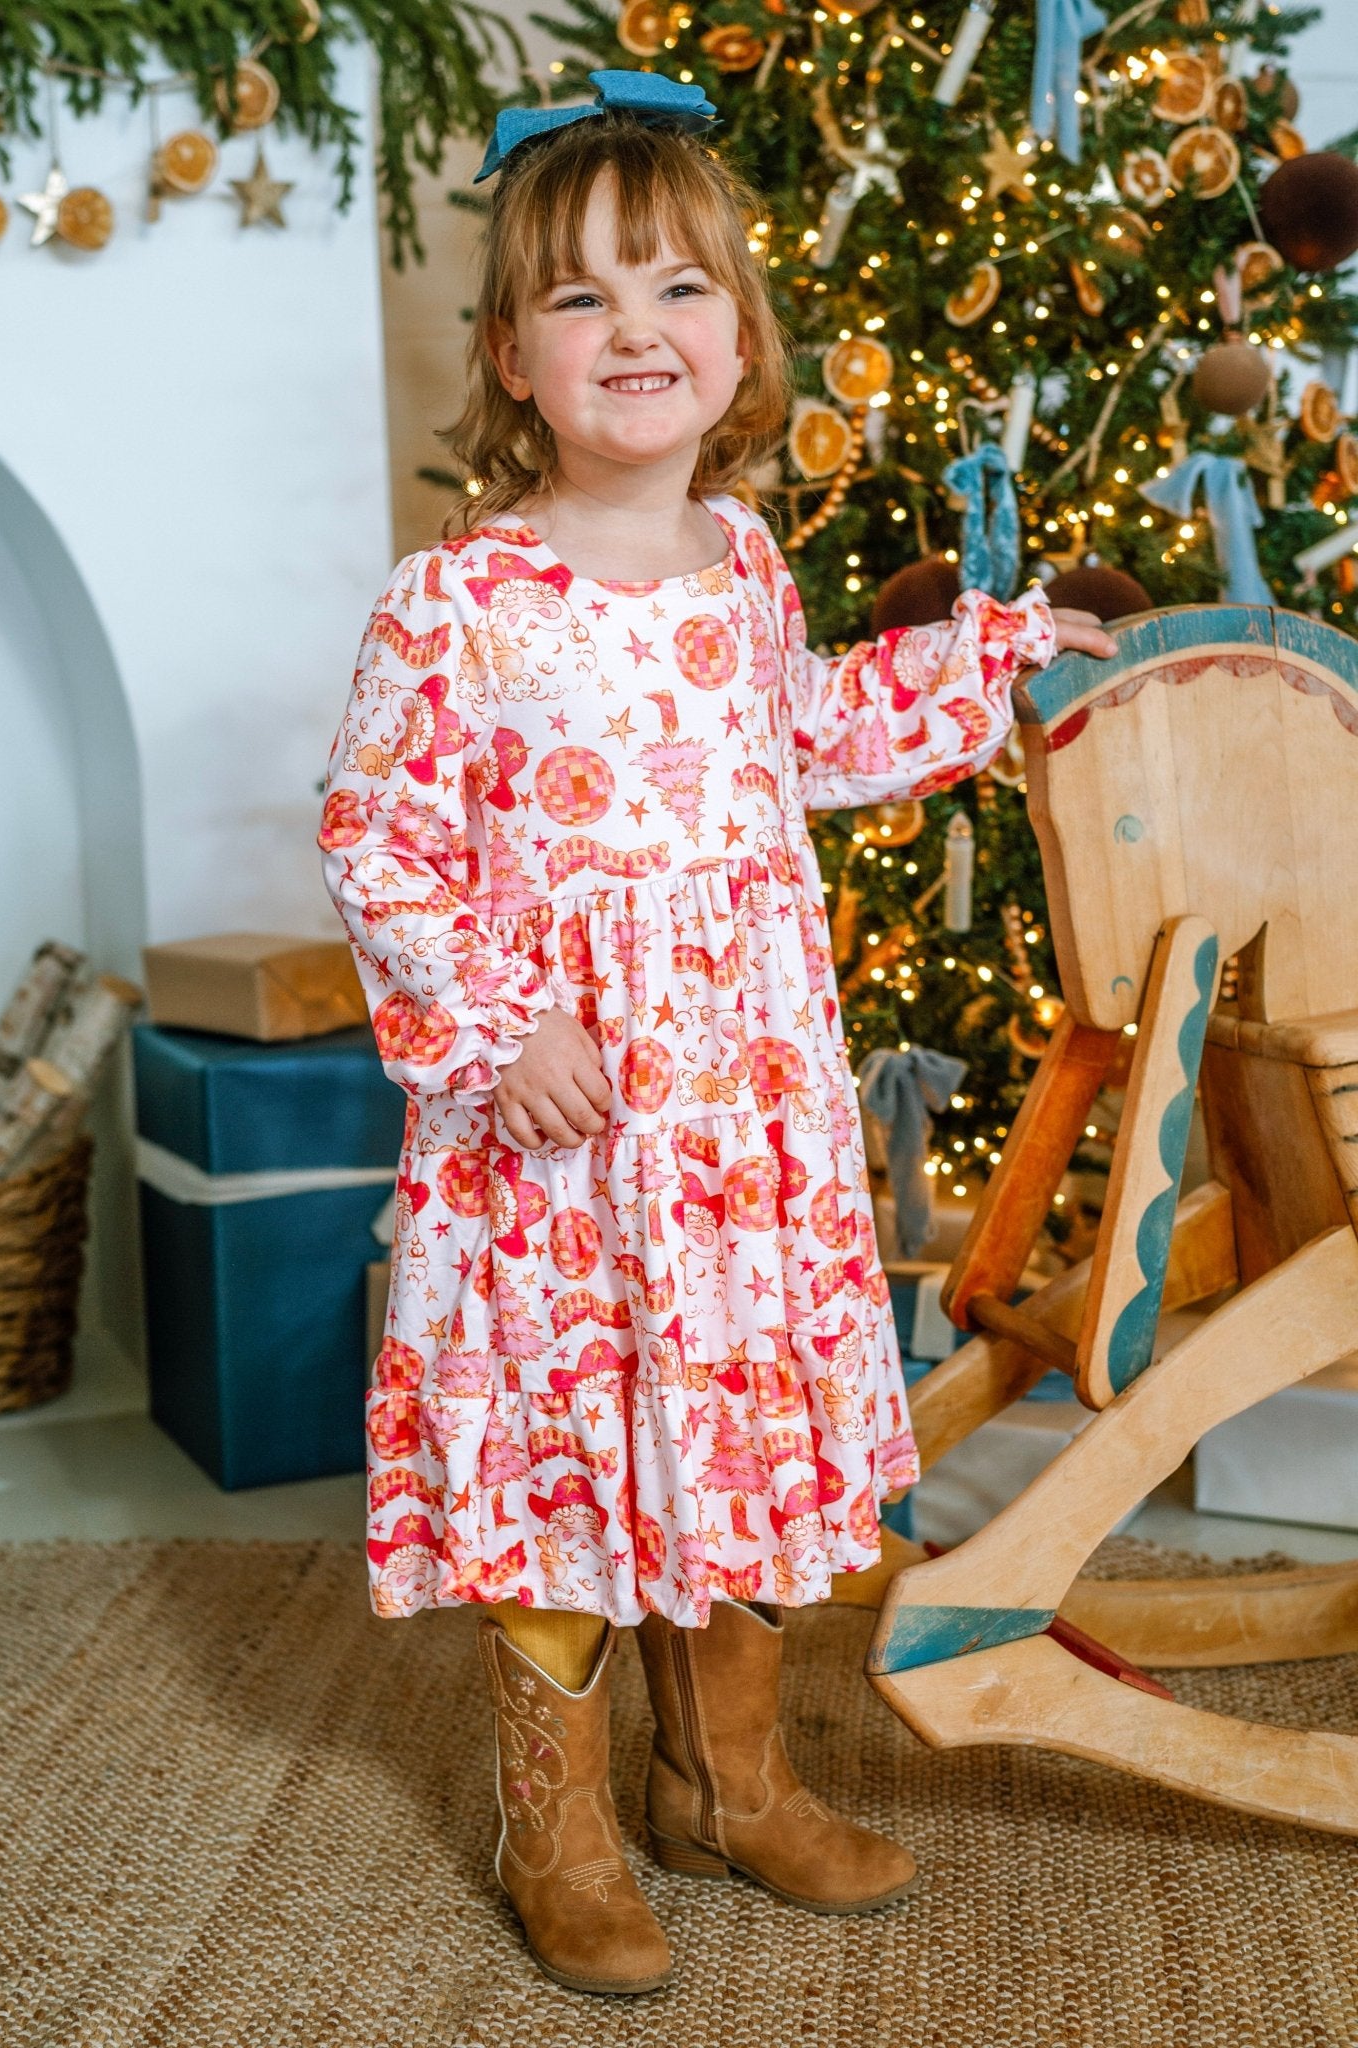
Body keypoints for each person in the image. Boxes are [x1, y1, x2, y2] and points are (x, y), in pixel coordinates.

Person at [318, 70, 1116, 1998]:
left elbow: (813, 733)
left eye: (675, 289)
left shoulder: (743, 561)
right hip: (560, 1126)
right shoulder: (458, 600)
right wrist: (499, 1028)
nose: (634, 332)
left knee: (735, 1423)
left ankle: (732, 1779)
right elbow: (376, 832)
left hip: (740, 1104)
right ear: (513, 358)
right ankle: (558, 1820)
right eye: (581, 301)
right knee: (565, 1449)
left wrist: (991, 651)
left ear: (738, 337)